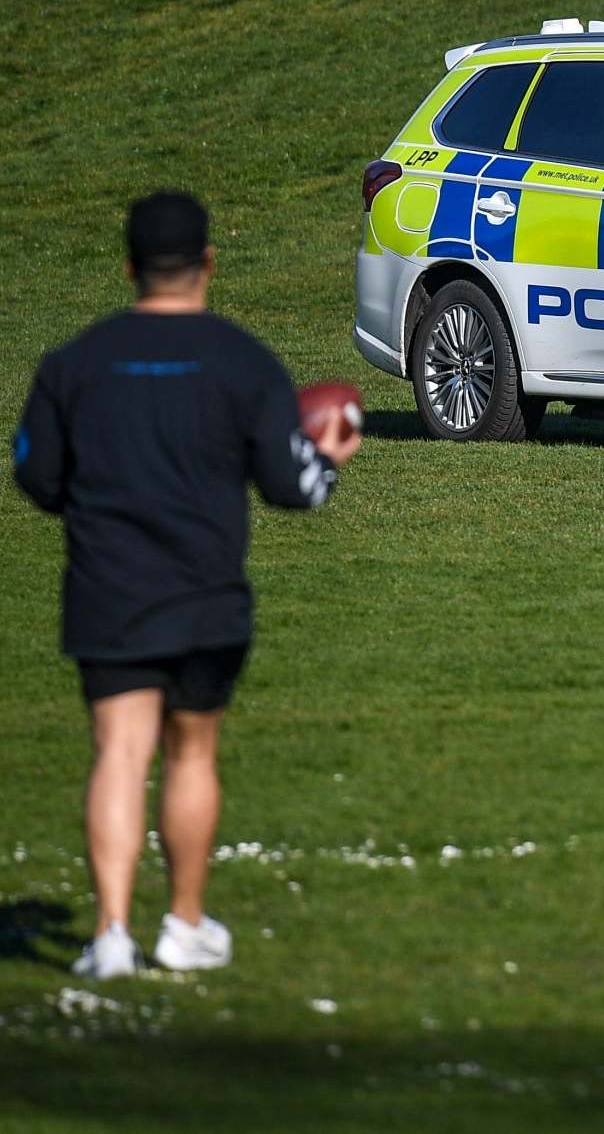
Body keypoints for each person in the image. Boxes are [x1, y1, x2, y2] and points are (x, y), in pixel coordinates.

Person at [12, 192, 362, 980]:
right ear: (208, 262)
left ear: (130, 266)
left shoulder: (75, 361)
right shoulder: (243, 361)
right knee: (191, 753)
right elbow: (290, 488)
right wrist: (330, 460)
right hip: (205, 590)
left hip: (107, 588)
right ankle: (183, 923)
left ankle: (109, 934)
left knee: (119, 751)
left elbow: (35, 474)